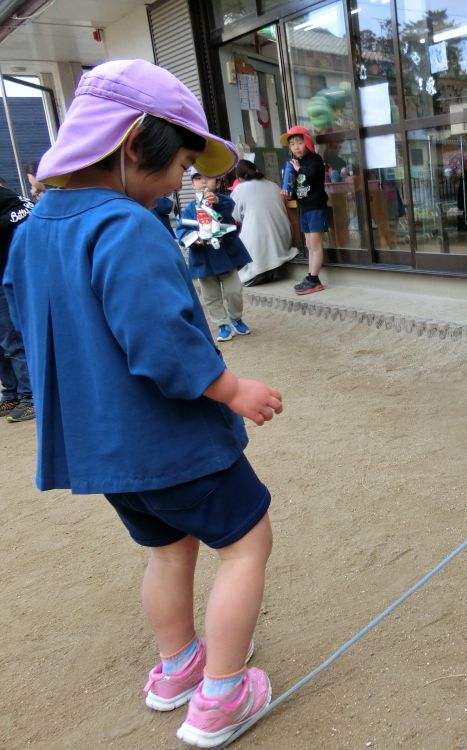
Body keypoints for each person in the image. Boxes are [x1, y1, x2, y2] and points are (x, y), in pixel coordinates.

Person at [2, 59, 279, 748]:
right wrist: (233, 389)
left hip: (105, 451)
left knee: (167, 550)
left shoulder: (34, 231)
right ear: (133, 146)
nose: (180, 181)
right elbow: (161, 340)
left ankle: (175, 667)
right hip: (171, 441)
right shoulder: (126, 226)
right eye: (179, 163)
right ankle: (220, 696)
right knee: (247, 543)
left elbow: (24, 322)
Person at [177, 167, 253, 342]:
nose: (203, 182)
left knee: (234, 290)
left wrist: (217, 201)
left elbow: (230, 210)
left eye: (208, 178)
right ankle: (222, 324)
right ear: (193, 183)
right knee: (210, 296)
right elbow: (182, 230)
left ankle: (236, 318)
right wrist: (193, 239)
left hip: (225, 255)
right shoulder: (189, 209)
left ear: (218, 183)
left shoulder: (224, 201)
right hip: (203, 257)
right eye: (198, 178)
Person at [230, 159, 297, 286]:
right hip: (284, 239)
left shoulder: (239, 189)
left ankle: (258, 272)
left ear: (239, 178)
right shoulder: (274, 185)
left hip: (258, 243)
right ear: (257, 170)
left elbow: (235, 216)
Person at [280, 125, 328, 295]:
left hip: (316, 207)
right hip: (304, 208)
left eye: (299, 143)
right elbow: (296, 187)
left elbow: (313, 174)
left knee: (315, 245)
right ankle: (310, 277)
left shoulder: (315, 159)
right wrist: (287, 192)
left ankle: (315, 280)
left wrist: (300, 169)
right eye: (292, 144)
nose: (296, 147)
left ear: (307, 142)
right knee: (308, 245)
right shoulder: (295, 164)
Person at [0, 183, 34, 422]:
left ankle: (29, 396)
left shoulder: (5, 196)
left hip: (4, 278)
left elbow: (27, 210)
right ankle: (10, 392)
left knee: (12, 339)